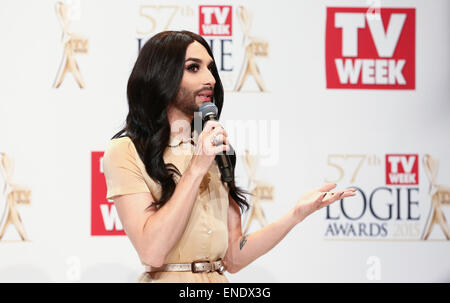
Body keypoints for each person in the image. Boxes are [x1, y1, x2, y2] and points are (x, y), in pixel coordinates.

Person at [102, 30, 356, 283]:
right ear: (161, 76)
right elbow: (152, 251)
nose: (210, 79)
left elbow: (233, 257)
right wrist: (195, 169)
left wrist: (296, 215)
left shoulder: (214, 149)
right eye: (193, 68)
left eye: (210, 68)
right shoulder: (125, 150)